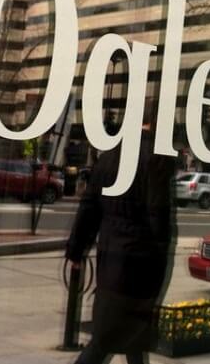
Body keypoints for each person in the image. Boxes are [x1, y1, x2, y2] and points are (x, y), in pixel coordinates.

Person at [66, 99, 176, 364]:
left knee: (127, 337)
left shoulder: (109, 158)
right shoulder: (158, 159)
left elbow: (89, 208)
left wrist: (76, 250)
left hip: (110, 261)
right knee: (107, 340)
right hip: (140, 264)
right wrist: (162, 254)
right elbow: (157, 216)